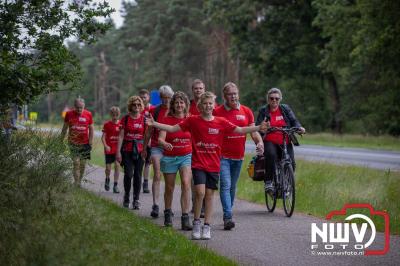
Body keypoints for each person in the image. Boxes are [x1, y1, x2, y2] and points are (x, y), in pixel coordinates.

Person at [146, 91, 269, 240]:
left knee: (210, 195)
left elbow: (241, 130)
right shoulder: (193, 121)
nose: (208, 106)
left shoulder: (221, 121)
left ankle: (207, 226)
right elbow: (172, 129)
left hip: (214, 164)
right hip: (198, 163)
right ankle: (196, 223)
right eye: (205, 103)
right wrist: (154, 124)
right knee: (199, 192)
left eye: (210, 103)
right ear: (200, 106)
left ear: (213, 105)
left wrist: (258, 128)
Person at [214, 82, 264, 230]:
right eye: (230, 94)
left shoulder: (246, 111)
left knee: (232, 187)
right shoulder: (217, 112)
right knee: (225, 185)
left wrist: (259, 142)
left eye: (235, 93)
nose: (233, 96)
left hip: (238, 156)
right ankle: (228, 216)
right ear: (225, 96)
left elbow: (253, 131)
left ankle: (228, 210)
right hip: (222, 156)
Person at [255, 88, 305, 193]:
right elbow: (258, 127)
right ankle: (268, 182)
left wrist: (299, 128)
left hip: (285, 140)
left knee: (291, 163)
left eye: (277, 98)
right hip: (270, 140)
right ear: (268, 99)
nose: (274, 101)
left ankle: (287, 184)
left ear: (280, 99)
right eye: (271, 98)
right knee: (271, 155)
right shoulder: (263, 111)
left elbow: (294, 120)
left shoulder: (285, 109)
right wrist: (262, 130)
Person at [158, 91, 192, 230]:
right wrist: (164, 143)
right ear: (173, 105)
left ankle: (185, 218)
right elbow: (160, 138)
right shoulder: (167, 120)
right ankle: (167, 214)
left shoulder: (190, 119)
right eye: (177, 102)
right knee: (170, 187)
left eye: (181, 102)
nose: (179, 105)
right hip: (170, 157)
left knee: (185, 183)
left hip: (186, 156)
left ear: (185, 105)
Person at [143, 85, 174, 218]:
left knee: (169, 178)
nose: (167, 100)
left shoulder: (175, 110)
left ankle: (168, 206)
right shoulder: (155, 111)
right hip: (156, 145)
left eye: (169, 98)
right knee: (157, 173)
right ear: (160, 98)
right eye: (164, 98)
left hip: (172, 147)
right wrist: (144, 147)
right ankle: (155, 204)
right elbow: (149, 131)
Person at [116, 96, 147, 209]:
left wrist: (146, 150)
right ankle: (126, 196)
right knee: (129, 174)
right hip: (127, 150)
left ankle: (136, 199)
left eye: (139, 105)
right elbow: (121, 136)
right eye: (134, 104)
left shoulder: (144, 119)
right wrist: (118, 152)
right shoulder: (125, 119)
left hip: (140, 151)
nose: (137, 107)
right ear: (130, 106)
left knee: (138, 175)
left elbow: (146, 136)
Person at [61, 97, 94, 186]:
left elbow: (91, 129)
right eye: (77, 107)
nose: (79, 109)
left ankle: (79, 180)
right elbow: (64, 128)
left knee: (83, 164)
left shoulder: (88, 114)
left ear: (84, 106)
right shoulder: (68, 114)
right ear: (74, 106)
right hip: (73, 142)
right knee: (76, 162)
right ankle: (76, 183)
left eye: (81, 107)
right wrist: (60, 140)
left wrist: (90, 142)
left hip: (85, 143)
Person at [101, 106, 121, 193]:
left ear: (119, 115)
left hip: (117, 149)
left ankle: (115, 185)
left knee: (117, 165)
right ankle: (107, 179)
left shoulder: (121, 124)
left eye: (116, 114)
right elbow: (103, 137)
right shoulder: (107, 124)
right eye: (113, 114)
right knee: (108, 168)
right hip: (109, 149)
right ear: (110, 115)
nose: (115, 116)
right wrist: (105, 145)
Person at [139, 89, 153, 194]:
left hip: (150, 140)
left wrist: (151, 139)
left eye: (145, 97)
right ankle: (137, 181)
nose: (143, 99)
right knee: (140, 162)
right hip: (139, 140)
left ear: (148, 97)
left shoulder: (153, 109)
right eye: (142, 97)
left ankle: (145, 183)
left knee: (148, 163)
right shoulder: (137, 109)